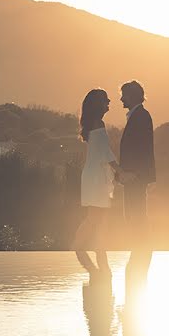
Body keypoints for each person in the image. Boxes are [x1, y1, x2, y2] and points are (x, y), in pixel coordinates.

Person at [73, 89, 121, 279]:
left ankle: (85, 248)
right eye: (106, 100)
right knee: (97, 216)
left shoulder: (91, 124)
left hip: (93, 175)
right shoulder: (98, 124)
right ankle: (81, 247)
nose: (109, 102)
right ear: (98, 104)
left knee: (95, 215)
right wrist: (120, 170)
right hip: (96, 177)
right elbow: (105, 152)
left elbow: (101, 152)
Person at [118, 80, 156, 270]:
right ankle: (139, 248)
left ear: (132, 96)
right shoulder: (139, 115)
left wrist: (133, 173)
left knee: (136, 213)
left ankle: (141, 248)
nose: (121, 98)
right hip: (134, 175)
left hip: (135, 176)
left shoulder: (141, 116)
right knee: (133, 213)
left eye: (123, 94)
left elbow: (142, 148)